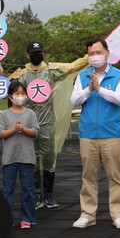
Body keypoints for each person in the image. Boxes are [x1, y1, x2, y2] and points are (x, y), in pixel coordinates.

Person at [13, 41, 88, 210]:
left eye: (39, 52)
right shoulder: (22, 75)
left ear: (43, 54)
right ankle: (36, 194)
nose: (36, 55)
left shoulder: (50, 72)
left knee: (48, 157)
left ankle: (48, 194)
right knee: (31, 157)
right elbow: (9, 90)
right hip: (28, 123)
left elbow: (71, 68)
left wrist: (88, 57)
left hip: (47, 122)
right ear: (27, 55)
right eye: (33, 53)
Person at [70, 38, 120, 229]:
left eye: (98, 52)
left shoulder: (119, 75)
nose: (95, 57)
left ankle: (118, 214)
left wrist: (100, 89)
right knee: (88, 176)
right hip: (88, 133)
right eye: (91, 53)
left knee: (115, 176)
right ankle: (87, 214)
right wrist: (89, 89)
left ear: (107, 53)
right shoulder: (83, 76)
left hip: (112, 133)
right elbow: (75, 101)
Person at [0, 81, 40, 229]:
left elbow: (35, 132)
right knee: (7, 190)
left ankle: (27, 218)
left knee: (28, 189)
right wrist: (14, 129)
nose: (20, 96)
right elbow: (1, 134)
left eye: (23, 93)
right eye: (17, 93)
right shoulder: (4, 114)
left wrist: (23, 129)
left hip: (27, 157)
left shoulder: (30, 113)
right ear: (10, 97)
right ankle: (7, 220)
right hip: (9, 158)